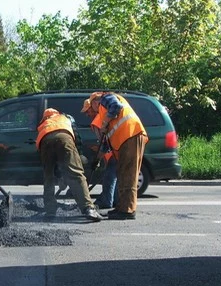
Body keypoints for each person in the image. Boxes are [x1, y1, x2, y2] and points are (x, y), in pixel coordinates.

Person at [36, 108, 104, 222]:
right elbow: (77, 138)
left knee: (48, 178)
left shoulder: (44, 124)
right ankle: (88, 208)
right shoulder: (65, 118)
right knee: (76, 174)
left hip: (45, 141)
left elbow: (50, 161)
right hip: (64, 138)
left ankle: (50, 211)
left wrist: (59, 177)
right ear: (57, 113)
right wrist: (79, 156)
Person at [93, 91, 148, 220]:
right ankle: (122, 207)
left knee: (128, 173)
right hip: (126, 139)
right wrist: (98, 158)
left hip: (130, 134)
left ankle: (127, 211)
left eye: (91, 108)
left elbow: (116, 106)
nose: (91, 112)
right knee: (122, 173)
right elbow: (106, 143)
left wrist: (105, 121)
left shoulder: (105, 98)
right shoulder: (103, 112)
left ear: (95, 101)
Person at [81, 94, 118, 209]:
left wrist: (97, 159)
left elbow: (104, 143)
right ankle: (115, 200)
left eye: (88, 111)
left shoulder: (97, 121)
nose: (87, 115)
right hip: (117, 150)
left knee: (109, 177)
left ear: (93, 107)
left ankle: (107, 201)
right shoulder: (101, 117)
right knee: (115, 177)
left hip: (113, 153)